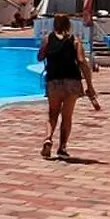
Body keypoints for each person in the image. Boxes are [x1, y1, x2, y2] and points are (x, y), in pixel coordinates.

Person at [38, 13, 99, 160]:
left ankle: (48, 138)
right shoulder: (74, 40)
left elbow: (40, 56)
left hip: (53, 80)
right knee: (67, 116)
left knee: (52, 114)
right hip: (72, 81)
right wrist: (90, 85)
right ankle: (62, 147)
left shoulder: (48, 38)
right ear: (68, 25)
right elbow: (81, 61)